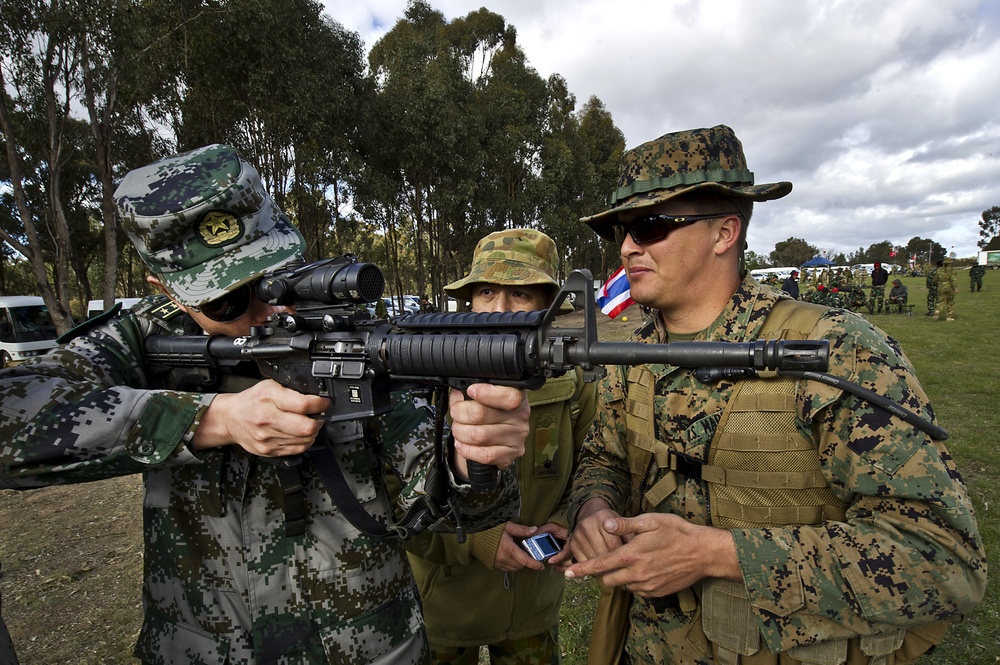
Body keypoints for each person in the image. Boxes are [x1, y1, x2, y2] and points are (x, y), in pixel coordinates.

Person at [0, 144, 530, 665]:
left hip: (365, 641)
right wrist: (209, 419)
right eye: (227, 299)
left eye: (272, 273)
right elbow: (12, 415)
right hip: (206, 645)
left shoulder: (344, 331)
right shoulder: (143, 340)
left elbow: (462, 504)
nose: (266, 309)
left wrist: (472, 458)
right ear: (168, 291)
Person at [562, 125, 986, 664]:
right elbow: (604, 458)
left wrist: (719, 555)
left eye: (649, 226)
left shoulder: (834, 351)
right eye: (621, 230)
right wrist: (594, 509)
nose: (627, 247)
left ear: (724, 234)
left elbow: (945, 560)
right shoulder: (633, 355)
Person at [404, 228, 596, 665]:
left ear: (547, 305)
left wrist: (570, 519)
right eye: (487, 291)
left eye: (521, 293)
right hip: (448, 607)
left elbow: (592, 463)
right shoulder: (426, 374)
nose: (500, 309)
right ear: (468, 300)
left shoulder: (573, 381)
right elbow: (399, 497)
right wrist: (481, 540)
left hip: (532, 607)